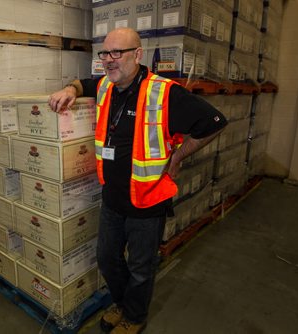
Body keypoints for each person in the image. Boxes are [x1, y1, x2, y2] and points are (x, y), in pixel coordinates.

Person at [48, 28, 227, 334]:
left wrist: (178, 157)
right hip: (113, 197)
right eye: (105, 54)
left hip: (148, 200)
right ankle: (121, 302)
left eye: (117, 53)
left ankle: (135, 316)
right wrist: (70, 89)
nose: (108, 60)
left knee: (141, 268)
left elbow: (215, 123)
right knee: (107, 258)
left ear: (138, 54)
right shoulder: (105, 86)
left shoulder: (164, 93)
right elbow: (83, 83)